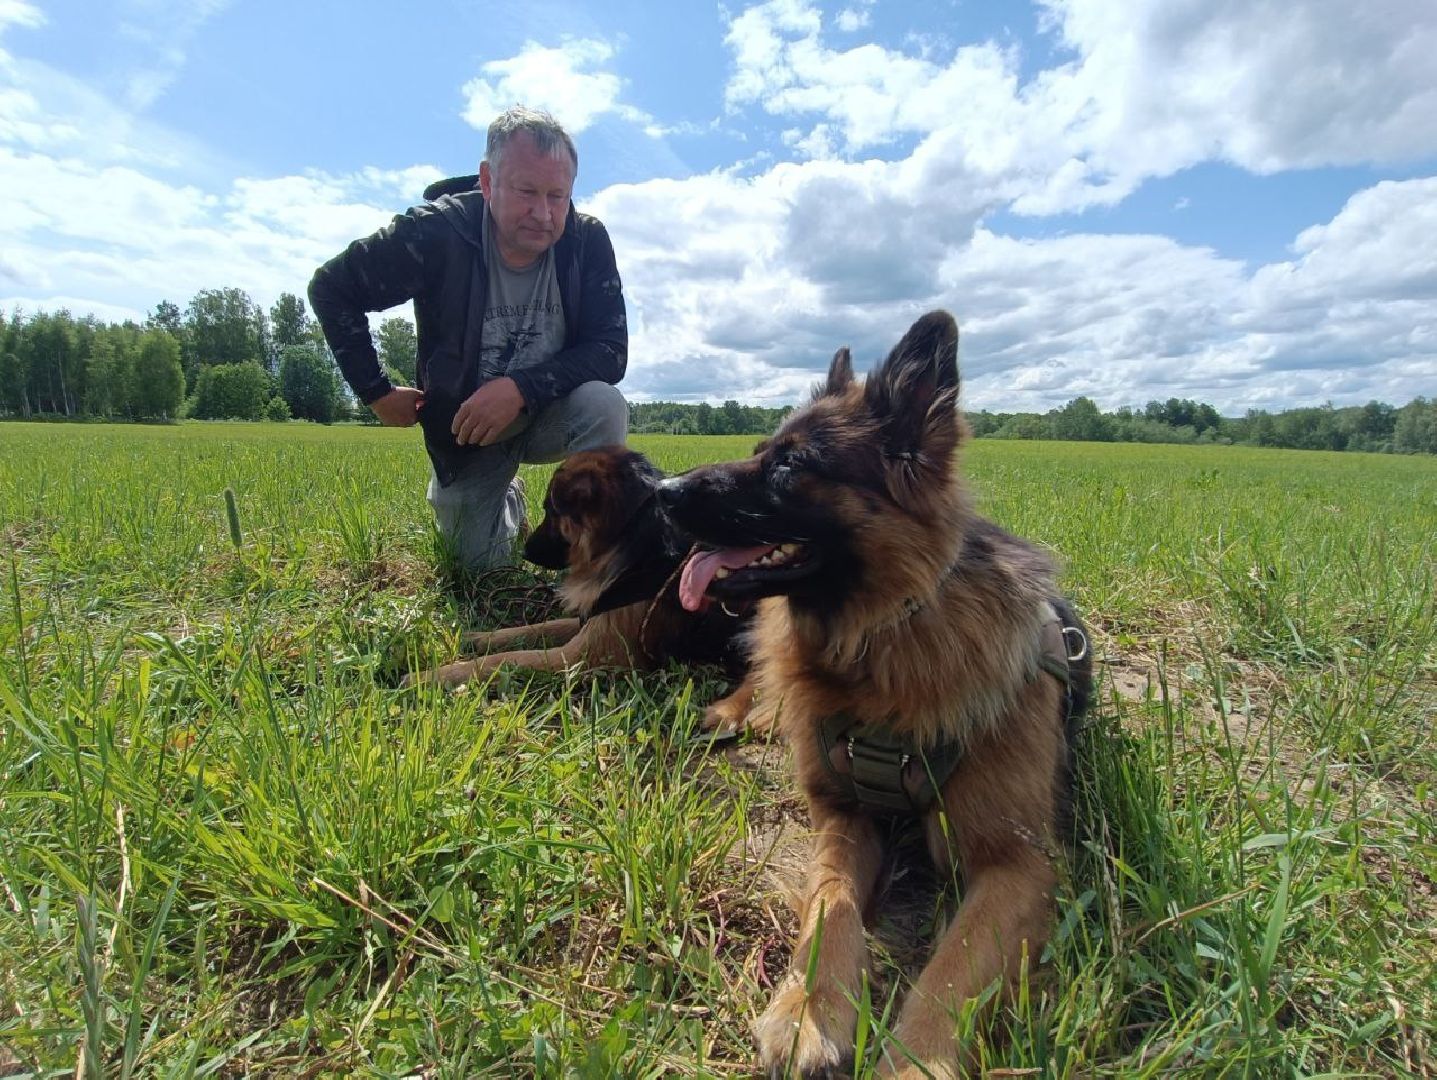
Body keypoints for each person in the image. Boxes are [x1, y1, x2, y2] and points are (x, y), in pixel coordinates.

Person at [309, 105, 629, 570]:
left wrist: (520, 388)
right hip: (469, 433)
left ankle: (590, 561)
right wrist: (375, 391)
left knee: (605, 403)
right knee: (476, 566)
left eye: (558, 195)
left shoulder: (585, 241)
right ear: (487, 180)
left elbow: (610, 350)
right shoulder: (436, 232)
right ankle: (507, 501)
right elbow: (332, 287)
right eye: (526, 191)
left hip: (551, 413)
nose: (543, 213)